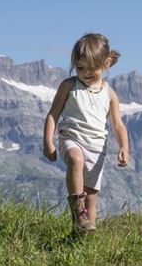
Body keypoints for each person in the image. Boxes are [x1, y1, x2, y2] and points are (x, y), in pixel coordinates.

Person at [42, 32, 129, 232]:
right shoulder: (69, 86)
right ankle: (77, 209)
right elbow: (53, 114)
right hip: (72, 139)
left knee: (91, 196)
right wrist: (48, 142)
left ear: (106, 63)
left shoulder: (109, 93)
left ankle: (83, 236)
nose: (86, 73)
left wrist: (124, 146)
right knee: (75, 159)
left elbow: (118, 125)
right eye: (80, 68)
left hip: (97, 148)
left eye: (93, 69)